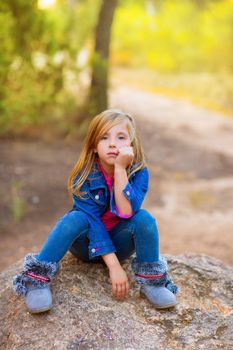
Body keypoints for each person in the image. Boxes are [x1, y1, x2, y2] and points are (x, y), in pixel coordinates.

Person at [12, 109, 179, 313]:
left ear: (131, 145)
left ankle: (153, 281)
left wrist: (119, 169)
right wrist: (114, 267)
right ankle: (36, 279)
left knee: (144, 218)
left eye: (121, 137)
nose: (112, 143)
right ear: (93, 146)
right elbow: (93, 222)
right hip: (86, 246)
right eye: (104, 137)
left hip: (121, 245)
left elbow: (127, 212)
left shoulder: (138, 172)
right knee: (76, 219)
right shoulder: (83, 176)